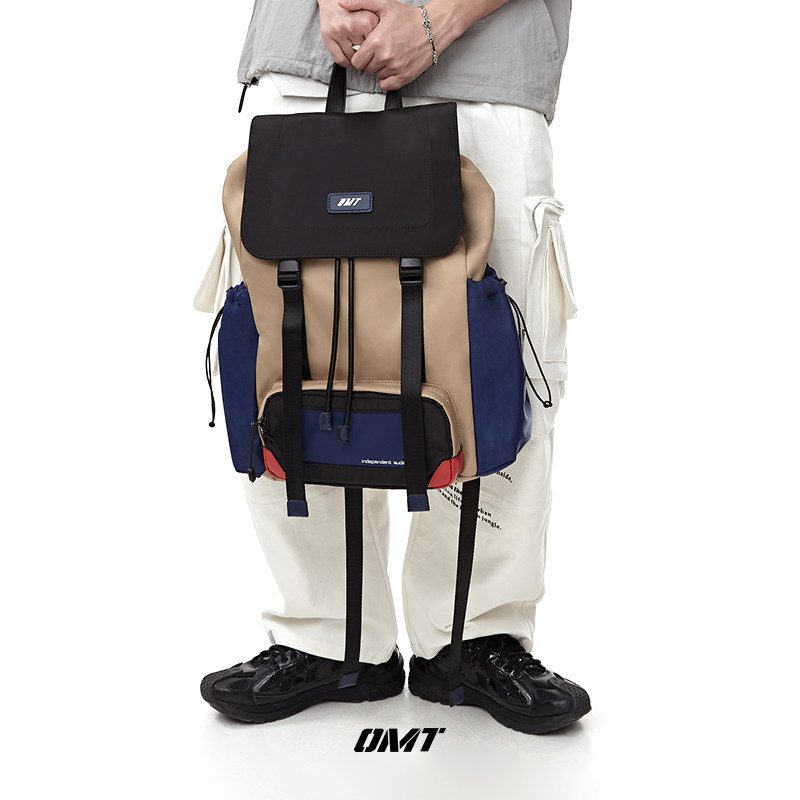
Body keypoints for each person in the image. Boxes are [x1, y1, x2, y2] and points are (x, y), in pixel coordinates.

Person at [200, 0, 588, 735]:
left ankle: (472, 639)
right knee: (294, 356)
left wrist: (440, 17)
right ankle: (329, 637)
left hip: (485, 64)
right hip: (307, 54)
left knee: (489, 366)